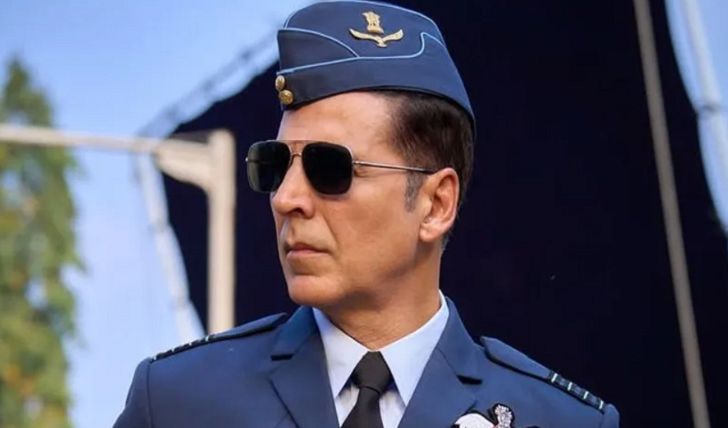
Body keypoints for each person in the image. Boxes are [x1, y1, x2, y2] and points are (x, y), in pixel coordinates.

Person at [113, 1, 619, 427]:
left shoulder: (560, 420)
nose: (286, 198)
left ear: (436, 203)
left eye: (329, 168)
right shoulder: (178, 402)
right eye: (275, 166)